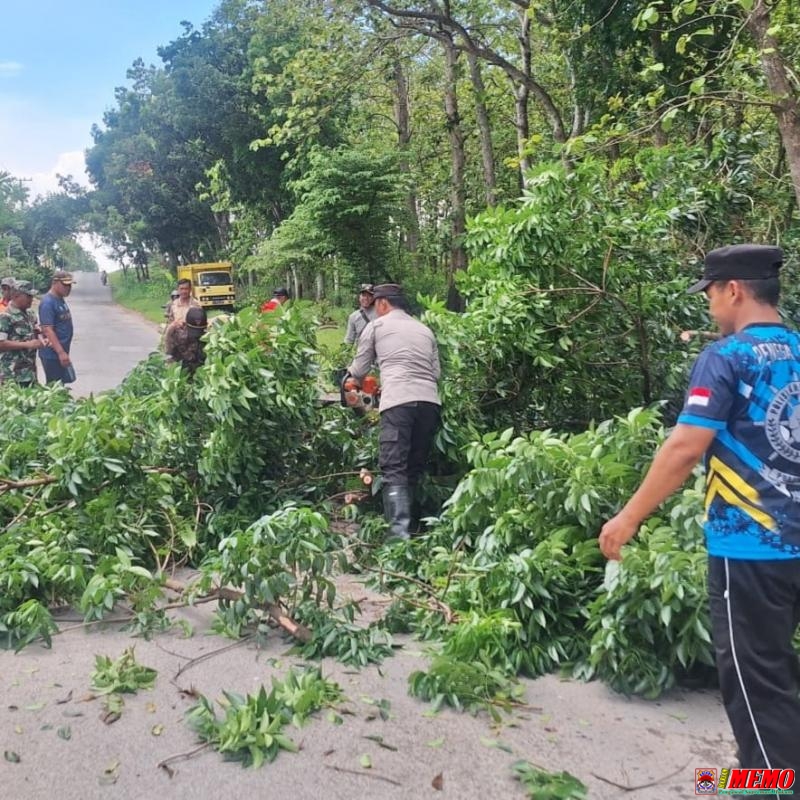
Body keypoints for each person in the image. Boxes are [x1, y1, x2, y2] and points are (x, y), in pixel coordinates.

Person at [599, 244, 800, 781]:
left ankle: (768, 789)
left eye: (711, 294)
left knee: (757, 681)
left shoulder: (727, 357)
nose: (710, 307)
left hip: (751, 545)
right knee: (780, 669)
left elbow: (686, 446)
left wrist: (629, 518)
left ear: (733, 289)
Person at [347, 283, 441, 540]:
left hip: (398, 402)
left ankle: (398, 540)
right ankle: (415, 531)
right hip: (430, 403)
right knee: (414, 467)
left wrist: (351, 382)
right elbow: (435, 374)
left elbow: (358, 370)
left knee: (394, 468)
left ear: (383, 303)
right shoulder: (425, 329)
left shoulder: (376, 326)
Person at [0, 280, 46, 387]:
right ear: (16, 296)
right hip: (12, 375)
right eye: (28, 296)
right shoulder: (6, 317)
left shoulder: (30, 314)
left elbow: (35, 332)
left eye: (32, 296)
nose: (31, 299)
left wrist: (42, 340)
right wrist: (27, 344)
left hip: (30, 373)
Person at [38, 270, 75, 384]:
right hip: (52, 354)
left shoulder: (60, 300)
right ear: (55, 283)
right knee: (54, 388)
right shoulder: (48, 303)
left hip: (61, 351)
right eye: (65, 285)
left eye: (70, 285)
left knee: (61, 385)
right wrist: (61, 353)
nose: (68, 288)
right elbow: (48, 330)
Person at [164, 305, 207, 373]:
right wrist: (170, 330)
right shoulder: (177, 333)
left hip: (200, 369)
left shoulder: (207, 336)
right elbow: (168, 352)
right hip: (180, 367)